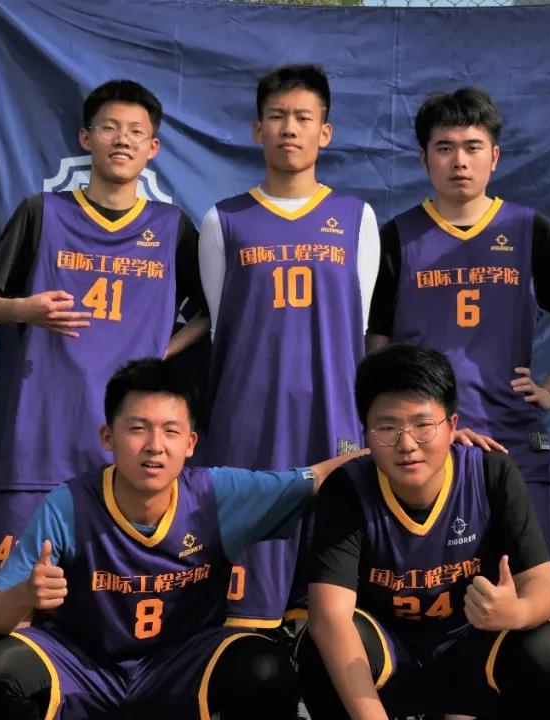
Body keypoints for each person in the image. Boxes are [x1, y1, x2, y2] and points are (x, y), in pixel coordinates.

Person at [0, 357, 361, 720]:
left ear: (190, 444)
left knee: (264, 669)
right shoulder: (69, 505)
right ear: (107, 437)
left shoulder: (216, 496)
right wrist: (25, 594)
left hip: (182, 666)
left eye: (171, 431)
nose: (154, 446)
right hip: (82, 667)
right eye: (138, 429)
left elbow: (317, 478)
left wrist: (390, 447)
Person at [0, 79, 208, 598]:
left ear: (152, 148)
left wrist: (160, 350)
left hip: (130, 444)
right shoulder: (42, 213)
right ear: (85, 138)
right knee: (14, 595)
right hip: (44, 434)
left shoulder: (171, 228)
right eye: (110, 128)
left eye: (135, 132)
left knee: (113, 595)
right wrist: (25, 309)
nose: (122, 139)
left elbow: (212, 313)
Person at [297, 344, 550, 719]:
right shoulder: (347, 489)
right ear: (366, 432)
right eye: (387, 428)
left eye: (422, 425)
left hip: (472, 652)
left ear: (451, 426)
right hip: (390, 660)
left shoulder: (491, 472)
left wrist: (516, 610)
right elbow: (329, 616)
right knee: (322, 648)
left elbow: (544, 587)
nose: (406, 444)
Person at [197, 63, 382, 628]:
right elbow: (219, 326)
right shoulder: (223, 220)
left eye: (303, 117)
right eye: (277, 117)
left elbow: (359, 325)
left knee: (328, 601)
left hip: (333, 417)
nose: (289, 128)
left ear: (325, 132)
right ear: (258, 130)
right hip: (249, 424)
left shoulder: (356, 218)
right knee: (243, 612)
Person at [367, 87, 550, 548]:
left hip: (511, 439)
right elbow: (376, 344)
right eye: (445, 148)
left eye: (472, 147)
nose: (459, 161)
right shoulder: (398, 237)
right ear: (424, 159)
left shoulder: (528, 229)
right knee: (433, 580)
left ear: (494, 157)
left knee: (525, 574)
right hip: (423, 447)